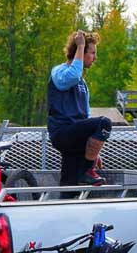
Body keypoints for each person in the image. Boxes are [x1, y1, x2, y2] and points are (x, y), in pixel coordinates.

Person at [47, 30, 112, 186]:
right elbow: (72, 76)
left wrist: (93, 152)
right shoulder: (59, 72)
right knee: (104, 123)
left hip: (76, 137)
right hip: (63, 132)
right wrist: (81, 45)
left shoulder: (83, 84)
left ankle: (67, 198)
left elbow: (86, 117)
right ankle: (88, 171)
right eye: (92, 53)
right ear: (80, 52)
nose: (95, 57)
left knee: (70, 187)